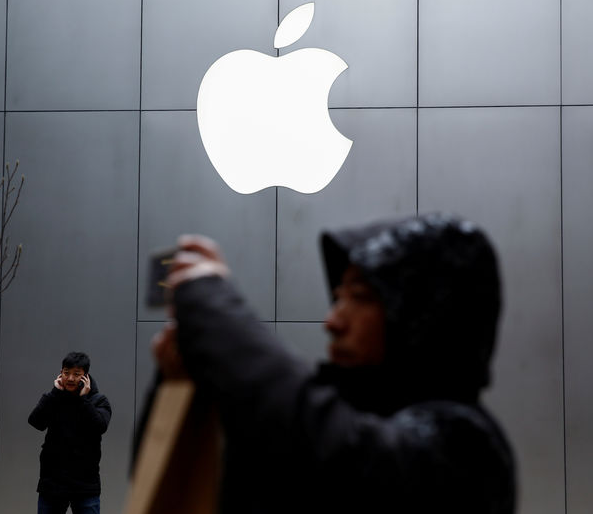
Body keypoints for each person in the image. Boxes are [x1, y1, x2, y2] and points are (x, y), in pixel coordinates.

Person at [150, 213, 516, 513]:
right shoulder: (343, 412)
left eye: (359, 297)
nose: (332, 321)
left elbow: (338, 460)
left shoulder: (468, 448)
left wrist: (211, 307)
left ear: (425, 313)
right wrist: (183, 383)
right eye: (338, 297)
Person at [29, 351, 112, 514]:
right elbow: (36, 422)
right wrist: (54, 393)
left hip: (86, 484)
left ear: (85, 376)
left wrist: (83, 400)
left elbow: (100, 426)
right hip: (53, 484)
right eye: (66, 373)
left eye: (76, 374)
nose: (71, 378)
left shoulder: (98, 401)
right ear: (61, 373)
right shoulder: (54, 398)